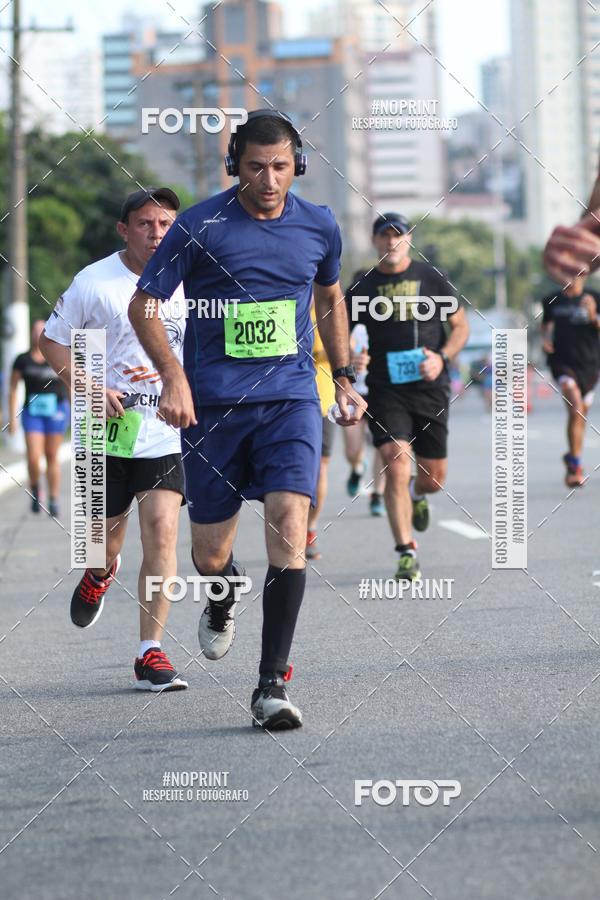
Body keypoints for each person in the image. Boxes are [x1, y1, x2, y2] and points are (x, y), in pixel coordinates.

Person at [128, 109, 365, 730]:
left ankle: (271, 686)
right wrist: (174, 378)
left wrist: (342, 376)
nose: (269, 180)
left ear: (299, 166)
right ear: (235, 164)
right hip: (211, 410)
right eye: (256, 167)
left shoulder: (319, 224)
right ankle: (224, 589)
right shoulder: (200, 224)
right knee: (210, 553)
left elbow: (329, 296)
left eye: (281, 167)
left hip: (289, 399)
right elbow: (144, 305)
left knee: (291, 522)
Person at [40, 187, 189, 692]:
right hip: (104, 427)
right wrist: (87, 385)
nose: (156, 234)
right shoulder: (94, 281)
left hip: (163, 429)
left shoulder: (187, 278)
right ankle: (99, 573)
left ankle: (151, 650)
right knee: (100, 543)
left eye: (165, 225)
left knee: (163, 531)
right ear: (124, 229)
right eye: (145, 224)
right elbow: (52, 341)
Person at [346, 213, 469, 582]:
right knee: (394, 461)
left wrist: (442, 357)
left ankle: (419, 493)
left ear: (409, 239)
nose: (391, 242)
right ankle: (406, 551)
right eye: (384, 236)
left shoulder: (431, 277)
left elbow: (461, 326)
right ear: (375, 242)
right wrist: (351, 359)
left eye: (398, 236)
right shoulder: (363, 286)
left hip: (430, 388)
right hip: (385, 389)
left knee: (434, 479)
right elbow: (338, 331)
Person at [541, 276, 600, 486]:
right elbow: (546, 325)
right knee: (575, 407)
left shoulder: (595, 297)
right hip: (562, 362)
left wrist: (593, 316)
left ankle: (572, 458)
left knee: (580, 415)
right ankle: (575, 466)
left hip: (590, 365)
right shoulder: (551, 300)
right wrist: (546, 340)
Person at [9, 319, 70, 517]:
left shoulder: (57, 356)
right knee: (34, 457)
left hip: (56, 411)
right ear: (30, 334)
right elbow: (12, 389)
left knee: (52, 455)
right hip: (32, 412)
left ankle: (53, 499)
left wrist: (76, 412)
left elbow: (71, 382)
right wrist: (12, 418)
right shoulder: (22, 360)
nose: (38, 334)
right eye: (34, 330)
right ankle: (35, 489)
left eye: (41, 330)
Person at [343, 323, 386, 514]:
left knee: (383, 446)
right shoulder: (348, 324)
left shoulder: (388, 323)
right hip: (355, 391)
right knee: (352, 450)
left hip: (381, 391)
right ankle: (357, 468)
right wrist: (351, 359)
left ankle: (377, 495)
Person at [305, 303, 336, 561]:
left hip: (323, 400)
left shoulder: (328, 309)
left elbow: (345, 347)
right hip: (286, 398)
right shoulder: (282, 300)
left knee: (321, 466)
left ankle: (309, 528)